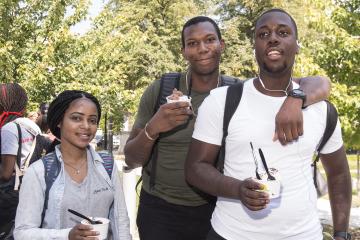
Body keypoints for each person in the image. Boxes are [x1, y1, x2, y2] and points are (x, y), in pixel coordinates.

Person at [124, 15, 332, 240]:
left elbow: (319, 82)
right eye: (192, 43)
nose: (202, 48)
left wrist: (296, 99)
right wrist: (154, 127)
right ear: (183, 51)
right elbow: (131, 159)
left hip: (215, 208)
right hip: (161, 211)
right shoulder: (162, 89)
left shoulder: (236, 92)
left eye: (210, 40)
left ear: (221, 45)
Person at [185, 9, 352, 240]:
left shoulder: (322, 110)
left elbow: (339, 175)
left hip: (304, 235)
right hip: (230, 234)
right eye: (263, 34)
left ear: (297, 45)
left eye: (283, 32)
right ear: (254, 49)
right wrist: (237, 189)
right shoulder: (222, 101)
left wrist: (341, 233)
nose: (273, 38)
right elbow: (195, 168)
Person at [14, 90, 131, 240]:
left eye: (92, 120)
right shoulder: (39, 172)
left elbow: (120, 221)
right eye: (76, 118)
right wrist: (66, 235)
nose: (86, 126)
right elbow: (22, 233)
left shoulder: (107, 165)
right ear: (59, 121)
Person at [0, 83, 42, 238]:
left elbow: (6, 172)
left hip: (9, 195)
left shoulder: (8, 129)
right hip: (28, 190)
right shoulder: (31, 126)